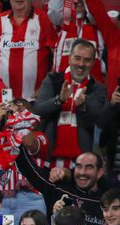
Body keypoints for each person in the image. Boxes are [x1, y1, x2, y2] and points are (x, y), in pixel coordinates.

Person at [32, 39, 110, 171]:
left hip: (81, 164)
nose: (81, 64)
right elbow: (38, 109)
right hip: (49, 159)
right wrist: (59, 100)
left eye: (87, 60)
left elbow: (98, 120)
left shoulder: (98, 89)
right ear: (69, 58)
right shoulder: (52, 80)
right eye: (77, 58)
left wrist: (83, 107)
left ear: (93, 63)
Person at [0, 100, 49, 224]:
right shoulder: (1, 136)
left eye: (22, 109)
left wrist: (19, 120)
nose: (16, 112)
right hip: (3, 201)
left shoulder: (38, 136)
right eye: (13, 110)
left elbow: (28, 143)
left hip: (29, 199)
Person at [16, 149, 112, 225]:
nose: (82, 172)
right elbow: (29, 170)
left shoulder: (108, 200)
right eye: (78, 166)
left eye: (89, 167)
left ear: (99, 173)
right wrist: (16, 145)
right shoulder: (59, 189)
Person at [0, 0, 57, 101]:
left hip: (36, 98)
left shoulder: (43, 19)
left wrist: (46, 87)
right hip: (5, 99)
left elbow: (57, 54)